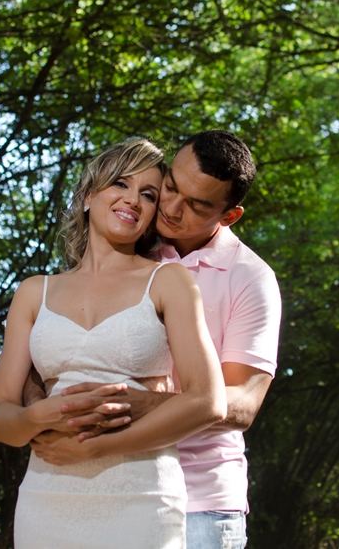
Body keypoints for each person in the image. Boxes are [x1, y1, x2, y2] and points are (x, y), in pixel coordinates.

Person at [32, 130, 282, 549]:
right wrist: (35, 410)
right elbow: (53, 343)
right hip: (107, 483)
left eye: (196, 204)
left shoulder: (251, 279)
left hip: (201, 502)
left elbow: (244, 402)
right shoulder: (127, 240)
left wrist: (151, 405)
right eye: (169, 187)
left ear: (229, 216)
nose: (170, 208)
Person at [0, 138, 227, 548]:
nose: (133, 200)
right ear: (87, 196)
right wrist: (38, 417)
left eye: (148, 194)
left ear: (153, 214)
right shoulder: (33, 292)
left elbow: (209, 402)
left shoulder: (169, 281)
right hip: (47, 495)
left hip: (142, 497)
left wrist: (99, 448)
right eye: (120, 183)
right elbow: (1, 420)